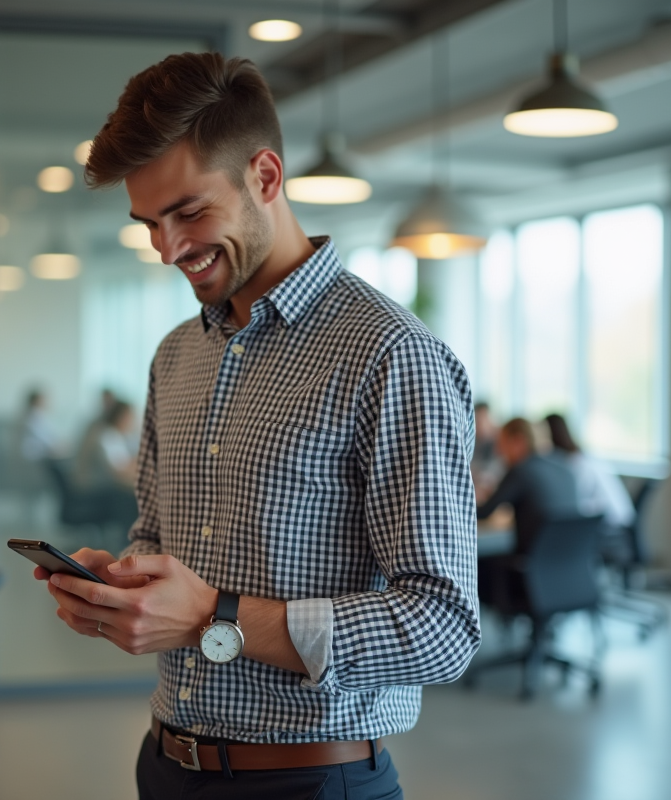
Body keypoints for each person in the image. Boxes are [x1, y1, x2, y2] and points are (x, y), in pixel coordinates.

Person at [34, 52, 479, 799]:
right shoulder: (176, 356)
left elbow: (441, 628)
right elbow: (158, 536)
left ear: (265, 177)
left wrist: (215, 616)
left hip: (309, 781)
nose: (168, 249)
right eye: (149, 223)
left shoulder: (391, 355)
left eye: (189, 211)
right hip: (164, 764)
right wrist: (122, 587)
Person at [477, 417, 579, 556]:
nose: (498, 452)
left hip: (531, 558)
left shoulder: (522, 470)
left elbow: (483, 512)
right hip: (567, 557)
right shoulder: (564, 465)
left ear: (518, 441)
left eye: (501, 443)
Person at [544, 413, 634, 530]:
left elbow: (574, 504)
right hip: (620, 520)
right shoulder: (587, 458)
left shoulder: (575, 466)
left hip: (609, 527)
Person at [73, 399, 138, 490]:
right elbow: (117, 472)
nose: (133, 423)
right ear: (120, 418)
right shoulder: (107, 437)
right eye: (130, 418)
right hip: (93, 488)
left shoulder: (116, 436)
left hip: (101, 486)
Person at [20, 388, 66, 462]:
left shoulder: (38, 415)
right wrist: (56, 446)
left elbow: (50, 434)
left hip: (40, 452)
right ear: (35, 401)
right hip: (36, 453)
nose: (45, 402)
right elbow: (41, 436)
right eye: (42, 400)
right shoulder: (32, 417)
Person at [471, 401, 504, 500]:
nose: (480, 425)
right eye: (477, 420)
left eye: (483, 419)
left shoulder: (501, 442)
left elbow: (500, 469)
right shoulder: (473, 442)